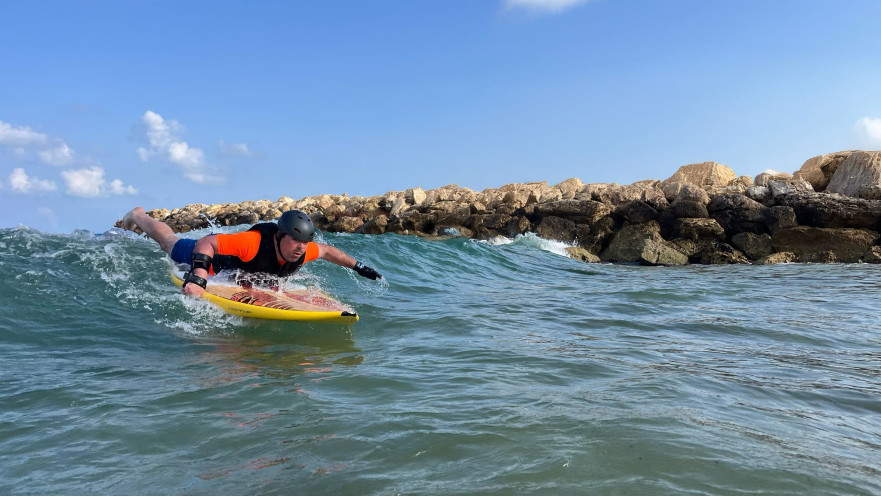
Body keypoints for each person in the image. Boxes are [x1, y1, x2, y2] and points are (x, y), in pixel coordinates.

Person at [121, 207, 382, 297]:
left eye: (304, 242)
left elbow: (327, 251)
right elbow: (208, 242)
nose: (300, 247)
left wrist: (359, 267)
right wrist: (199, 276)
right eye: (294, 240)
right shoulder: (252, 243)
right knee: (168, 242)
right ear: (279, 236)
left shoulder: (303, 251)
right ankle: (138, 216)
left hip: (238, 271)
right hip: (214, 260)